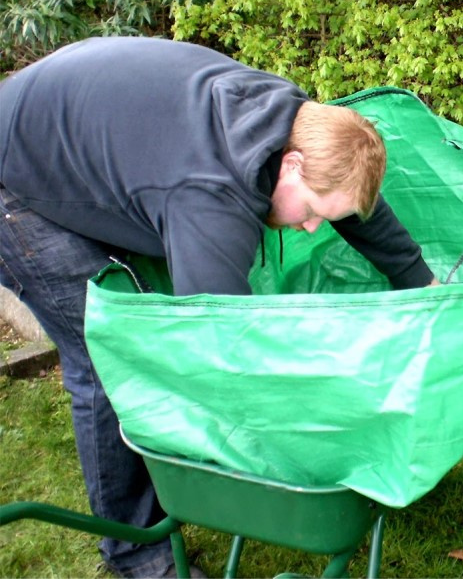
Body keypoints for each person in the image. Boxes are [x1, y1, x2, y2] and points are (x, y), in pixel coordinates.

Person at [0, 36, 437, 578]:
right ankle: (136, 552)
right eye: (312, 212)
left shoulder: (296, 124)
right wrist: (317, 431)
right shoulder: (209, 195)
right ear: (293, 165)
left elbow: (347, 202)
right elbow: (223, 348)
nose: (310, 227)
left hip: (80, 115)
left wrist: (421, 282)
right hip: (14, 178)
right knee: (104, 357)